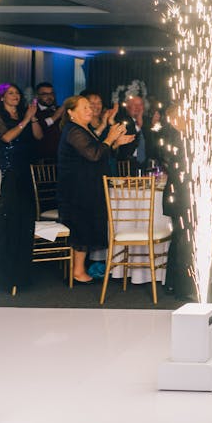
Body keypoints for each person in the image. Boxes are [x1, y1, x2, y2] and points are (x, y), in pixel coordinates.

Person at [57, 96, 133, 283]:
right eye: (84, 108)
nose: (90, 110)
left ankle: (79, 269)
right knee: (81, 226)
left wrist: (115, 144)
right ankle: (78, 271)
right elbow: (93, 154)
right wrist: (110, 138)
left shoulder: (85, 129)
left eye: (90, 107)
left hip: (85, 187)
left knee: (85, 225)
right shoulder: (73, 131)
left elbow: (99, 152)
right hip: (76, 190)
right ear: (71, 112)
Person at [0, 83, 43, 293]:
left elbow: (38, 136)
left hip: (24, 171)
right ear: (1, 97)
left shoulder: (24, 115)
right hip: (7, 174)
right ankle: (1, 275)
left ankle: (21, 273)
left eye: (17, 93)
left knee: (25, 221)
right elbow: (6, 137)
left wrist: (32, 117)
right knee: (8, 221)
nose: (15, 95)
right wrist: (26, 119)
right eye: (11, 93)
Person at [159, 103, 197, 301]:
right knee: (185, 242)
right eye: (186, 114)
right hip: (182, 196)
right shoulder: (176, 137)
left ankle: (173, 284)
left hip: (179, 195)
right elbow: (182, 170)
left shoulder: (175, 135)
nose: (190, 118)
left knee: (179, 240)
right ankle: (184, 289)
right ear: (174, 118)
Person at [34, 81, 64, 161]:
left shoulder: (59, 110)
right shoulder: (33, 111)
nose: (49, 96)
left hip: (60, 157)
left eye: (51, 94)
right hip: (41, 159)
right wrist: (55, 117)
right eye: (45, 94)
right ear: (37, 96)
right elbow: (39, 129)